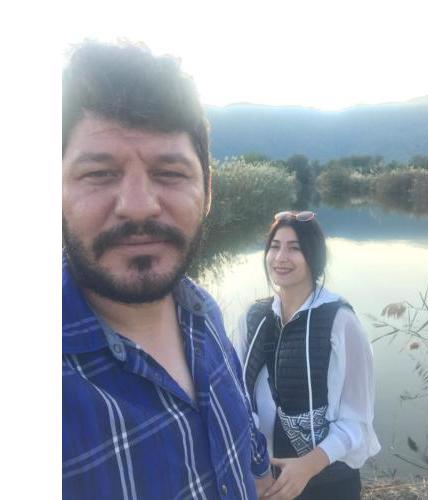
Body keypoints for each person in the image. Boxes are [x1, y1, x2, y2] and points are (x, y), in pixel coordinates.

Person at [62, 41, 272, 500]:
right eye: (99, 173)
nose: (138, 206)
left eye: (170, 173)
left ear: (208, 192)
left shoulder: (203, 312)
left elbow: (247, 449)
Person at [236, 211, 381, 500]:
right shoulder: (253, 317)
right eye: (275, 246)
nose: (281, 257)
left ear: (314, 256)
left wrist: (308, 466)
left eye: (295, 248)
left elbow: (358, 421)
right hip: (264, 481)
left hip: (327, 484)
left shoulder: (340, 322)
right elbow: (234, 395)